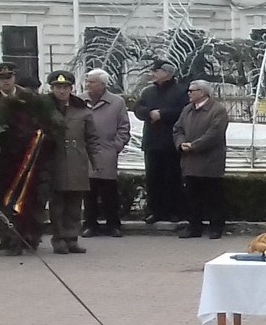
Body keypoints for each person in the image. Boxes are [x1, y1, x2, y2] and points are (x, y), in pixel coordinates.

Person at [0, 61, 60, 251]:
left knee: (30, 199)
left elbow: (53, 124)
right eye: (1, 78)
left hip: (31, 159)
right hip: (2, 159)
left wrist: (43, 139)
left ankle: (29, 237)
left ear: (14, 78)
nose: (6, 82)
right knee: (4, 199)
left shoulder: (32, 99)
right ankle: (7, 238)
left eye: (9, 77)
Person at [45, 71, 96, 255]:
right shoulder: (45, 108)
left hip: (76, 162)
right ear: (52, 89)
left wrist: (96, 162)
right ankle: (58, 239)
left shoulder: (81, 109)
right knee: (57, 205)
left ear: (71, 88)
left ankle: (72, 238)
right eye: (58, 87)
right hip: (54, 163)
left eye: (65, 87)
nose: (62, 91)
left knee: (74, 205)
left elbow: (92, 138)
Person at [134, 59, 188, 224]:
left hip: (171, 142)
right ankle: (155, 211)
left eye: (156, 71)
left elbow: (183, 111)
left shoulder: (181, 91)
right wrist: (149, 113)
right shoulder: (148, 92)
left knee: (172, 178)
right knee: (153, 178)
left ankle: (174, 211)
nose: (153, 74)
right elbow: (138, 108)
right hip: (152, 142)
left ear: (167, 73)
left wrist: (163, 114)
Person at [175, 80, 229, 239]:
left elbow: (215, 133)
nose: (189, 93)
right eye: (189, 90)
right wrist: (181, 143)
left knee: (213, 196)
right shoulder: (187, 110)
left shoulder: (217, 110)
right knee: (192, 196)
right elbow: (177, 129)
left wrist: (194, 146)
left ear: (203, 92)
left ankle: (216, 227)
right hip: (190, 161)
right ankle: (194, 227)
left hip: (210, 162)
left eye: (193, 90)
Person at [83, 70, 131, 237]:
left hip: (107, 150)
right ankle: (90, 224)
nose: (88, 85)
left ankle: (113, 225)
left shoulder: (117, 102)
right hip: (85, 151)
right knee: (89, 192)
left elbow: (124, 127)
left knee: (109, 191)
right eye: (87, 82)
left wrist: (116, 145)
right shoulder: (80, 100)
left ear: (103, 84)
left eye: (92, 82)